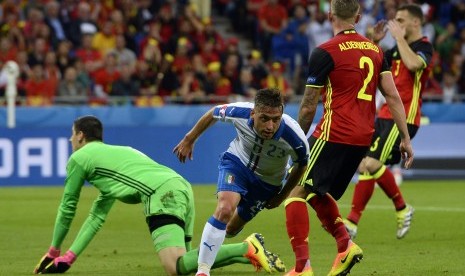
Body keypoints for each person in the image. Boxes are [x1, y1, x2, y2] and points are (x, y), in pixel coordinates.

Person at [33, 115, 285, 275]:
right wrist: (69, 258)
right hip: (180, 186)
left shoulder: (79, 158)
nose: (69, 140)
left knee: (175, 268)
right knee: (189, 263)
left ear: (80, 135)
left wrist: (54, 251)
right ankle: (248, 254)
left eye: (71, 135)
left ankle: (246, 248)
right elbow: (97, 215)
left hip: (161, 194)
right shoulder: (117, 157)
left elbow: (68, 207)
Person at [282, 1, 414, 275]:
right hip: (363, 138)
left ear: (329, 15)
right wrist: (405, 138)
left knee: (295, 194)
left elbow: (308, 107)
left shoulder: (324, 52)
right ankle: (345, 246)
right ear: (358, 15)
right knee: (317, 192)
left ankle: (301, 268)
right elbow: (392, 96)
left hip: (333, 132)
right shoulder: (376, 51)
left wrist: (295, 141)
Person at [173, 88, 310, 276]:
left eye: (276, 119)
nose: (270, 126)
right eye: (264, 119)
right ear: (253, 113)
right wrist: (190, 138)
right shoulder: (239, 112)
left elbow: (302, 165)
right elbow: (213, 113)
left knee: (230, 229)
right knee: (224, 209)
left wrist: (282, 195)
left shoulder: (294, 138)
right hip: (237, 164)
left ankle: (247, 246)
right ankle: (203, 271)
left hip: (267, 183)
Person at [344, 3, 433, 240]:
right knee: (365, 165)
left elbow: (415, 65)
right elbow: (370, 68)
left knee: (371, 164)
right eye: (396, 21)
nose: (397, 25)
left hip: (404, 117)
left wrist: (398, 39)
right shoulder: (394, 50)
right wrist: (374, 41)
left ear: (416, 22)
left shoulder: (424, 46)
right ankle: (355, 222)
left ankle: (396, 210)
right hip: (383, 115)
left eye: (401, 21)